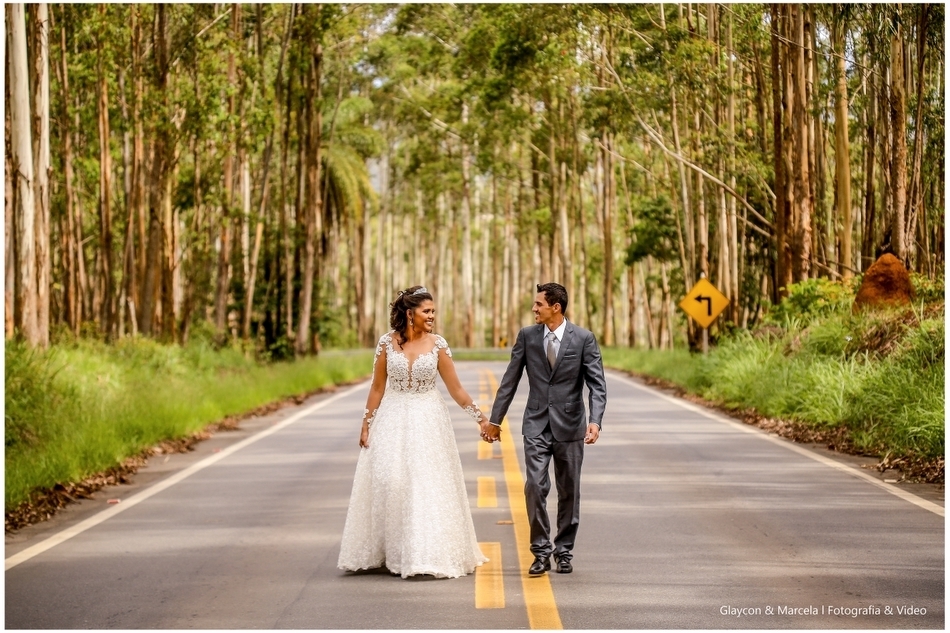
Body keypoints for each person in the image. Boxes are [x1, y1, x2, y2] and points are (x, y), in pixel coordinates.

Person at [337, 285, 496, 579]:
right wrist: (366, 423)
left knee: (422, 485)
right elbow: (377, 387)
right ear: (410, 314)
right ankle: (390, 550)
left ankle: (424, 552)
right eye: (427, 311)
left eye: (433, 311)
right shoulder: (386, 344)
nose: (432, 316)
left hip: (428, 418)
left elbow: (456, 389)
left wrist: (482, 419)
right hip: (392, 417)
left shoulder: (438, 345)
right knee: (391, 480)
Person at [485, 282, 607, 575]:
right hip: (536, 424)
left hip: (571, 426)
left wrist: (595, 420)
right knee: (535, 487)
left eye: (539, 304)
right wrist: (494, 420)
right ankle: (540, 552)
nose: (534, 309)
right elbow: (510, 380)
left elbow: (597, 385)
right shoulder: (527, 337)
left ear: (556, 307)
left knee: (569, 491)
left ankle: (564, 552)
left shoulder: (584, 339)